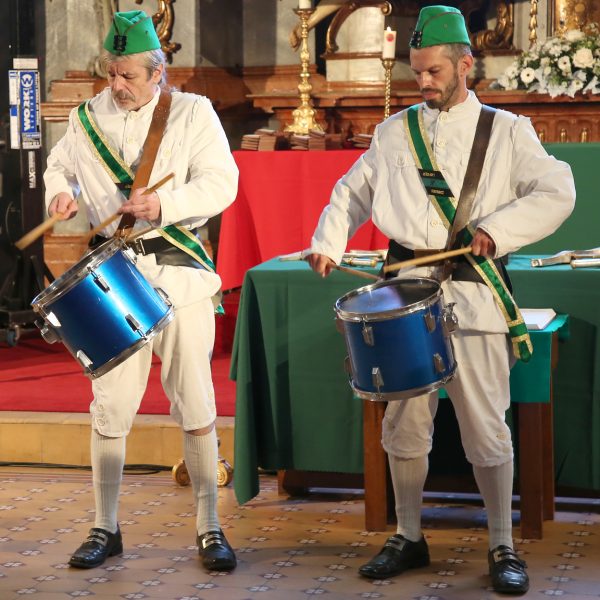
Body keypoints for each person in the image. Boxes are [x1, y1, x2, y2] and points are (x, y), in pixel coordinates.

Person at [307, 5, 575, 595]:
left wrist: (497, 231)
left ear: (465, 64)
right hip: (405, 295)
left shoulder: (508, 131)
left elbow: (558, 189)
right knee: (404, 423)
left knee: (486, 425)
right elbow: (352, 192)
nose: (423, 82)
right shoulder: (393, 131)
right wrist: (328, 240)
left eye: (434, 71)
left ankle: (502, 544)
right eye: (417, 72)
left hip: (475, 293)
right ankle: (408, 535)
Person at [44, 10, 238, 572]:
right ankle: (105, 526)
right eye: (111, 73)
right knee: (110, 404)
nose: (117, 85)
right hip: (113, 277)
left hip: (179, 270)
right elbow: (60, 166)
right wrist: (61, 193)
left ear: (158, 72)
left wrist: (164, 205)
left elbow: (222, 183)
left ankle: (209, 525)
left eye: (128, 75)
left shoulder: (193, 113)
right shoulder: (85, 118)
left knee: (195, 399)